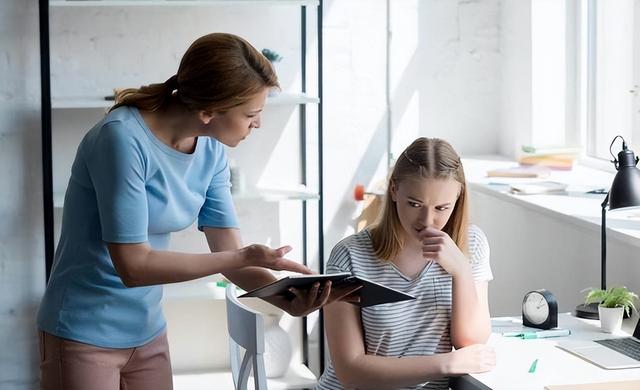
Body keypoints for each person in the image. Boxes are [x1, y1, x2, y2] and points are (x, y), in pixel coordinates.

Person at [37, 32, 355, 390]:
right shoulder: (121, 139)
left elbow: (230, 255)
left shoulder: (212, 151)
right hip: (82, 332)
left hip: (147, 331)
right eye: (251, 113)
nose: (258, 123)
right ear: (207, 111)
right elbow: (134, 267)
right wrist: (240, 257)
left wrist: (287, 297)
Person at [316, 137, 496, 390]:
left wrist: (461, 271)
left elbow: (472, 343)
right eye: (414, 204)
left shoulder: (472, 243)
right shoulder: (349, 256)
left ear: (458, 198)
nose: (427, 220)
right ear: (393, 190)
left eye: (442, 208)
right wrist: (446, 363)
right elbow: (350, 372)